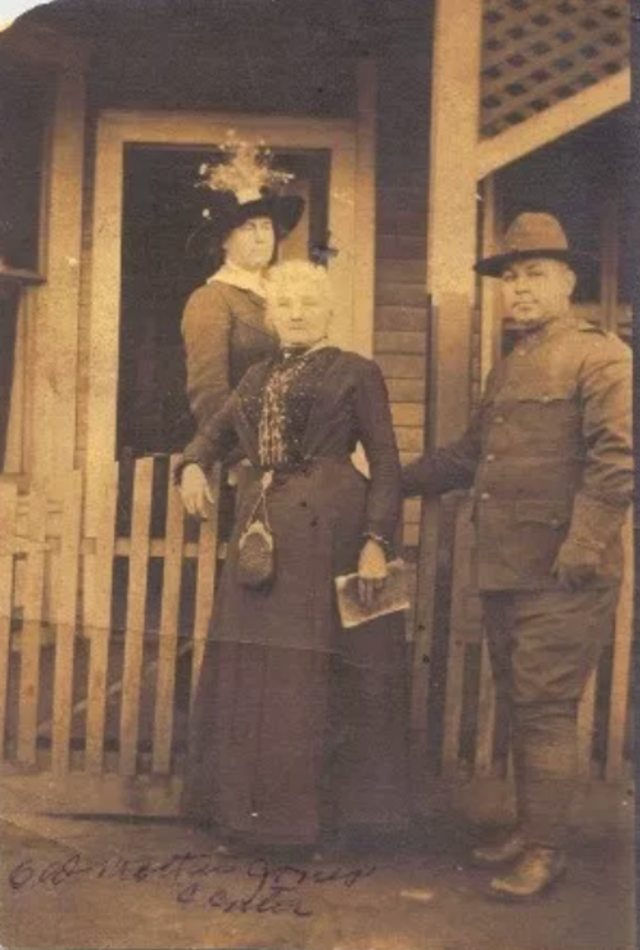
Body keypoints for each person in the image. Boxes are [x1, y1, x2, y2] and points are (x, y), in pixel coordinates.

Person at [403, 213, 633, 900]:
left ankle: (544, 851)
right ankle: (530, 830)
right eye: (509, 276)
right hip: (508, 566)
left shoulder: (603, 356)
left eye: (534, 273)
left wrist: (585, 545)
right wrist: (389, 478)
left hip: (564, 570)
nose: (519, 288)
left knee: (545, 707)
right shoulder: (512, 364)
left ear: (567, 280)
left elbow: (619, 461)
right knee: (523, 701)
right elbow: (470, 456)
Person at [176, 260, 409, 853]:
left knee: (309, 676)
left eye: (308, 302)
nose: (296, 313)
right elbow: (214, 435)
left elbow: (384, 464)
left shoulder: (357, 373)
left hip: (330, 535)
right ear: (272, 316)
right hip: (262, 540)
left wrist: (377, 542)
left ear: (329, 311)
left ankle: (307, 824)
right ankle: (248, 818)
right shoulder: (255, 377)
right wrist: (192, 466)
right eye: (284, 305)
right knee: (256, 673)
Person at [182, 142, 305, 428]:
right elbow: (208, 396)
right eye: (248, 228)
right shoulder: (211, 299)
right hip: (241, 456)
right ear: (224, 239)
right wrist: (249, 451)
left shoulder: (282, 294)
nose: (262, 238)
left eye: (266, 227)